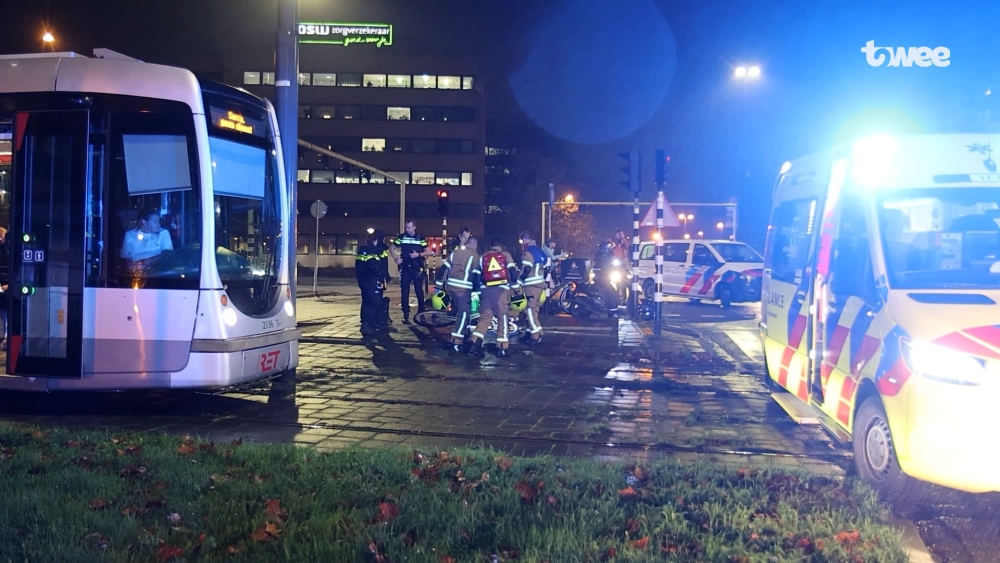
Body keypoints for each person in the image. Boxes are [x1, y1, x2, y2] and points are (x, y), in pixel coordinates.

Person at [469, 238, 519, 358]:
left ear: (491, 246)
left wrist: (478, 292)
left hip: (485, 292)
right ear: (501, 246)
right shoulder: (505, 255)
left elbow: (475, 278)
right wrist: (517, 290)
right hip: (501, 291)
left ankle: (474, 344)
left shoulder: (482, 257)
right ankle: (502, 348)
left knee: (484, 319)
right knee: (503, 318)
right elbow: (512, 273)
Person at [437, 236, 480, 353]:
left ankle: (463, 333)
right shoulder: (475, 257)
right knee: (464, 314)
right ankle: (457, 341)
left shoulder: (455, 252)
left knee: (460, 312)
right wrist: (477, 291)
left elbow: (443, 269)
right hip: (464, 289)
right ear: (475, 245)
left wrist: (438, 286)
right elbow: (476, 276)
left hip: (451, 287)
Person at [391, 221, 433, 324]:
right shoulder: (401, 237)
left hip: (417, 268)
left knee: (419, 291)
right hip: (405, 267)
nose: (407, 230)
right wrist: (396, 259)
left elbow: (429, 251)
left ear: (414, 227)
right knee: (404, 291)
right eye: (406, 228)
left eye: (409, 228)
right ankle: (405, 314)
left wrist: (418, 255)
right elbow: (392, 248)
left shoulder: (420, 238)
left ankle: (421, 313)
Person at [517, 232, 548, 345]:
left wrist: (519, 281)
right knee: (533, 311)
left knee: (529, 311)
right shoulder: (540, 252)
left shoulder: (528, 252)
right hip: (539, 285)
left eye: (522, 242)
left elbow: (526, 270)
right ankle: (529, 333)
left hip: (531, 286)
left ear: (525, 240)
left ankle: (536, 335)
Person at [355, 232, 383, 338]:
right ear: (375, 241)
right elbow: (373, 266)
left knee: (366, 301)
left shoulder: (362, 250)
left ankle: (367, 324)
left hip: (363, 280)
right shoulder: (371, 250)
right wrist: (380, 274)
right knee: (372, 302)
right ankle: (367, 325)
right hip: (370, 280)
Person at [371, 229, 392, 328]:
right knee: (378, 297)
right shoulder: (383, 249)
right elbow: (384, 264)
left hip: (371, 278)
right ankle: (379, 318)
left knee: (372, 298)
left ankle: (374, 318)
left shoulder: (371, 247)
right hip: (379, 277)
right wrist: (386, 277)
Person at [0, 227, 8, 350]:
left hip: (5, 285)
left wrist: (9, 284)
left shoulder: (7, 250)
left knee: (5, 312)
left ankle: (7, 337)